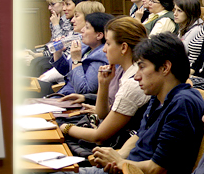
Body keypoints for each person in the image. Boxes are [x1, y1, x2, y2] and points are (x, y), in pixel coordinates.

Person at [87, 33, 204, 174]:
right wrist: (117, 157)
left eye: (142, 67)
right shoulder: (158, 96)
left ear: (164, 68)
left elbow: (158, 168)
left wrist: (120, 162)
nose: (136, 77)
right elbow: (139, 136)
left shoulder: (183, 103)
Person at [60, 17, 150, 153]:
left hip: (116, 149)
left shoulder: (133, 83)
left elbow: (99, 137)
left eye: (108, 43)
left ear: (124, 47)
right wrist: (103, 84)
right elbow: (102, 114)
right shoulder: (121, 69)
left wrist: (64, 128)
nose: (104, 50)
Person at [50, 12, 115, 97]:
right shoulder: (87, 48)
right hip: (63, 94)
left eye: (87, 27)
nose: (82, 30)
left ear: (99, 35)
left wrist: (76, 60)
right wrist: (58, 52)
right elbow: (66, 71)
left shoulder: (101, 57)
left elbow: (84, 90)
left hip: (75, 101)